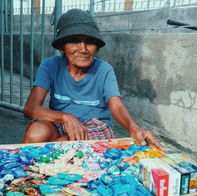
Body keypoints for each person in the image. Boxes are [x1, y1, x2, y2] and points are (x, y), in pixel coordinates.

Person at [22, 9, 163, 150]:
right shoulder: (50, 65)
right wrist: (64, 117)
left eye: (90, 42)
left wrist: (133, 127)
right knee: (36, 133)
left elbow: (116, 106)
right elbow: (30, 108)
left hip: (96, 127)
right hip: (62, 121)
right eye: (74, 41)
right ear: (62, 47)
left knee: (62, 146)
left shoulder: (104, 70)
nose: (83, 49)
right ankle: (26, 169)